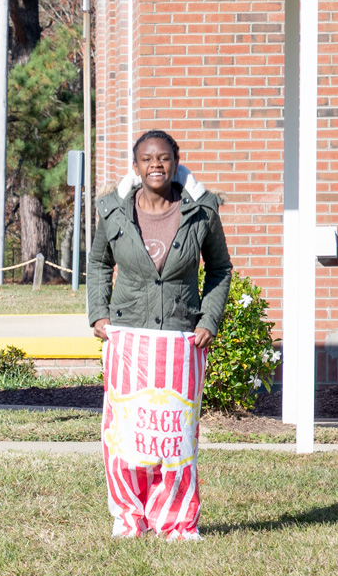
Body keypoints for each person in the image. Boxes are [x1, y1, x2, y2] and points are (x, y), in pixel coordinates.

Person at [88, 130, 233, 541]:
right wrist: (98, 313)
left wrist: (209, 319)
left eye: (164, 158)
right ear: (135, 167)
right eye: (147, 159)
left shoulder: (202, 211)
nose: (156, 165)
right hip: (127, 335)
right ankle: (129, 518)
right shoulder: (112, 211)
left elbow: (220, 269)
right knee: (129, 432)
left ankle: (176, 521)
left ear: (175, 162)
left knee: (175, 433)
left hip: (181, 336)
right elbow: (99, 263)